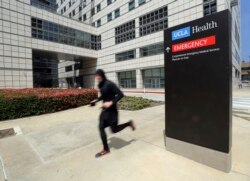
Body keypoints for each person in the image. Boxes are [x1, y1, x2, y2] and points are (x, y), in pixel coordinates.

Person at [90, 69, 136, 158]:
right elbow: (103, 95)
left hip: (112, 111)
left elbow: (120, 94)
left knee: (114, 130)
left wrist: (111, 102)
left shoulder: (110, 84)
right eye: (96, 77)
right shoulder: (100, 85)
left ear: (102, 75)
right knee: (100, 127)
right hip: (104, 110)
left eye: (98, 76)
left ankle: (129, 123)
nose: (97, 78)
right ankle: (106, 149)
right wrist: (96, 100)